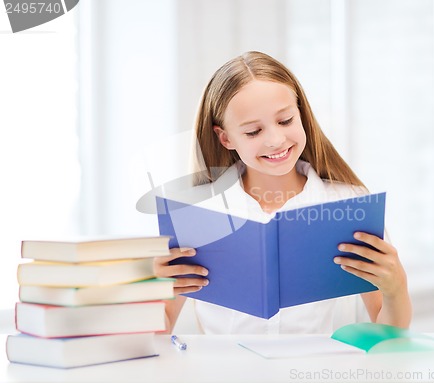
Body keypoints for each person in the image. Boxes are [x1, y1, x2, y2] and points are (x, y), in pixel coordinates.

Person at [153, 51, 412, 334]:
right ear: (225, 138)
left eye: (286, 120)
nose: (276, 140)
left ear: (301, 114)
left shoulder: (347, 204)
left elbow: (389, 334)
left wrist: (396, 287)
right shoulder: (198, 213)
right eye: (253, 131)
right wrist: (152, 288)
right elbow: (159, 329)